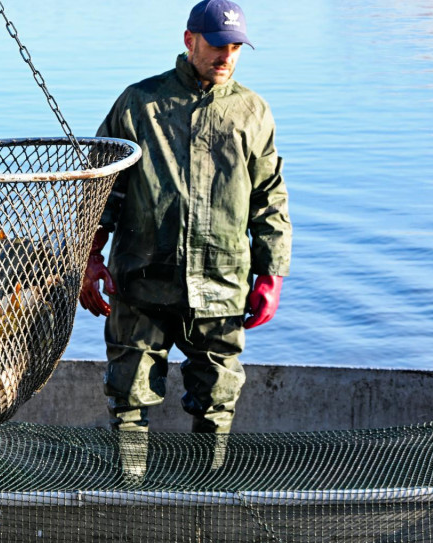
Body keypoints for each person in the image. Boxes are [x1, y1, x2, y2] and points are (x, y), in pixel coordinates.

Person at [80, 0, 292, 438]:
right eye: (216, 45)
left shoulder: (252, 112)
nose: (226, 56)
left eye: (235, 48)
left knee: (217, 404)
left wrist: (272, 274)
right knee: (128, 402)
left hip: (222, 286)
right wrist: (88, 257)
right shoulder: (139, 103)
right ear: (189, 40)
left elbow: (269, 199)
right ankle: (130, 479)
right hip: (140, 282)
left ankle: (208, 482)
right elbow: (99, 190)